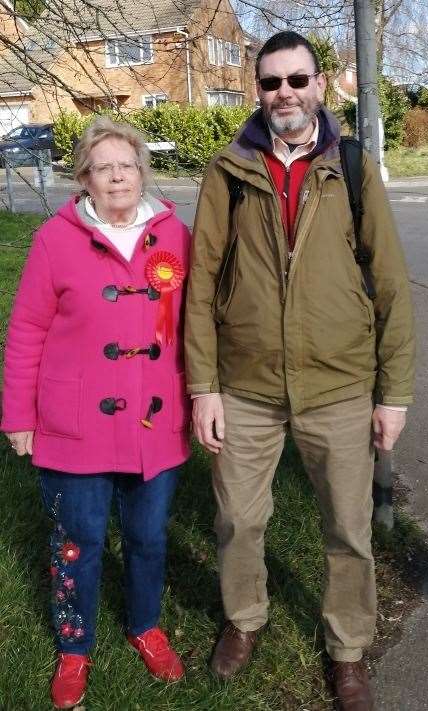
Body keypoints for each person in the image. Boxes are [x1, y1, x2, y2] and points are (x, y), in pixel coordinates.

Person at [185, 30, 415, 711]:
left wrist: (392, 393)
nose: (283, 93)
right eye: (270, 82)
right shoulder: (228, 169)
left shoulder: (349, 163)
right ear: (256, 90)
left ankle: (347, 648)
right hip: (247, 384)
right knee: (238, 520)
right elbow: (200, 284)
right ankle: (244, 617)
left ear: (318, 84)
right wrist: (204, 386)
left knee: (347, 528)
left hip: (339, 383)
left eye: (295, 79)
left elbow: (392, 282)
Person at [1, 116, 192, 709]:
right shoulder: (55, 239)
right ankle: (75, 645)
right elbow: (27, 329)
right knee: (76, 541)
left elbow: (197, 326)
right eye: (103, 166)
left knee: (148, 537)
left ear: (143, 172)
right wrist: (18, 418)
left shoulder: (176, 235)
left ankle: (145, 624)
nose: (117, 176)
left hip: (153, 422)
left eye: (127, 165)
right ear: (83, 176)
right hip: (74, 421)